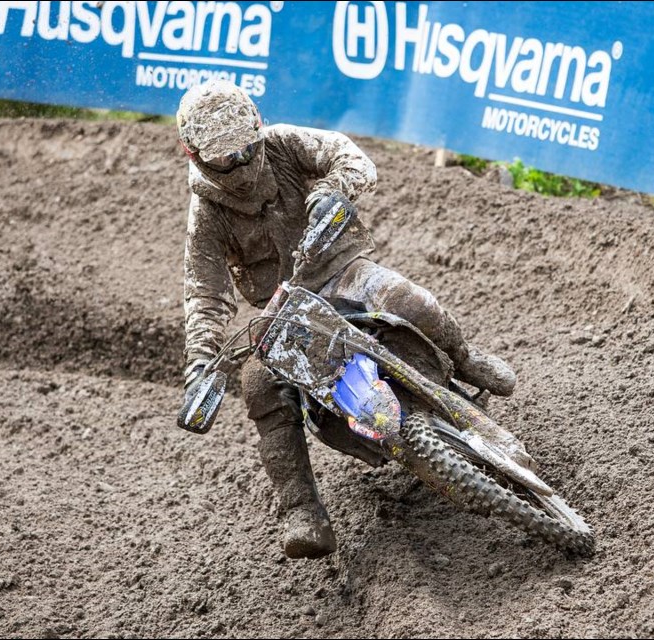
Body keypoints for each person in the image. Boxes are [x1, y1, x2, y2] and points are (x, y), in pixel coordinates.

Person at [176, 80, 516, 559]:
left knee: (409, 299)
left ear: (258, 126)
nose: (241, 166)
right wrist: (200, 362)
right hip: (279, 308)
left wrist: (336, 189)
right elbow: (205, 294)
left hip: (340, 267)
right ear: (193, 154)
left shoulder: (286, 144)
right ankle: (301, 510)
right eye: (224, 159)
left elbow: (351, 156)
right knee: (258, 387)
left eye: (247, 150)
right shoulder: (206, 215)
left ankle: (463, 357)